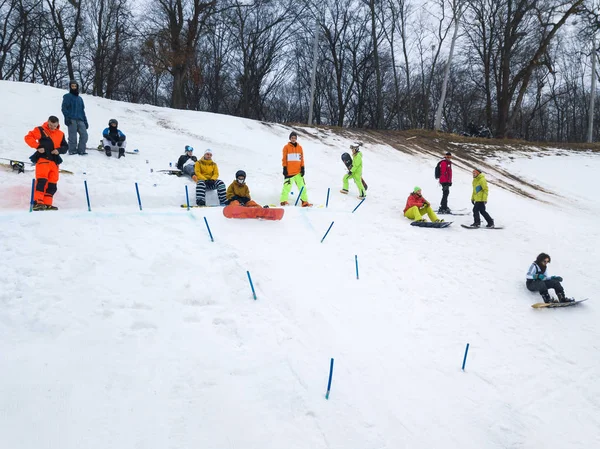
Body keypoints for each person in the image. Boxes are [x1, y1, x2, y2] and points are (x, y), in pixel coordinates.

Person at [24, 115, 69, 210]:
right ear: (47, 122)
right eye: (50, 125)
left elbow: (65, 147)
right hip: (43, 160)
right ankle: (38, 202)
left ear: (58, 125)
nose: (52, 127)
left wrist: (58, 150)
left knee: (52, 184)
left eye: (54, 126)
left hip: (54, 162)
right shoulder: (40, 130)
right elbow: (28, 137)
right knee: (42, 182)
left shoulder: (61, 134)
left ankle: (48, 204)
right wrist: (37, 146)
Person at [280, 131, 312, 207]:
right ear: (290, 138)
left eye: (295, 138)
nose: (293, 139)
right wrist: (284, 168)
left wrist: (303, 167)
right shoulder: (286, 147)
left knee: (302, 187)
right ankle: (283, 201)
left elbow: (301, 159)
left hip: (298, 172)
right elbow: (284, 159)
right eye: (292, 138)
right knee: (286, 188)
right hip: (289, 172)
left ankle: (304, 201)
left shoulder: (300, 147)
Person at [61, 79, 89, 155]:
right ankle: (72, 150)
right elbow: (64, 108)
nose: (74, 87)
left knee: (84, 135)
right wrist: (67, 118)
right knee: (73, 137)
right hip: (71, 119)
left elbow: (82, 111)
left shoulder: (80, 99)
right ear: (70, 87)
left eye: (75, 86)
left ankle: (81, 150)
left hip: (80, 119)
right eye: (72, 86)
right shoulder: (67, 96)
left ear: (77, 87)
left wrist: (85, 121)